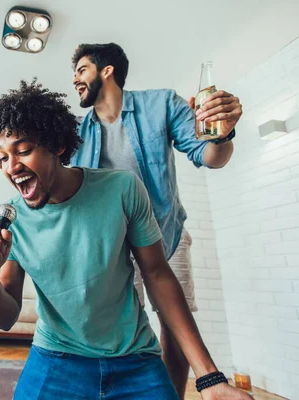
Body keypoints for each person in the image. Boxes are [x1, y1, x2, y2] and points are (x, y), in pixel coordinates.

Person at [0, 80, 251, 400]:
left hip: (134, 360)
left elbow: (158, 275)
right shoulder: (13, 220)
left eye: (23, 151)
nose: (12, 167)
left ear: (56, 146)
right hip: (57, 358)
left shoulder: (123, 189)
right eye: (3, 157)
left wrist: (209, 378)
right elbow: (5, 319)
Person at [70, 43, 243, 398]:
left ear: (107, 71)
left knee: (174, 326)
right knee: (124, 329)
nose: (75, 79)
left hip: (166, 235)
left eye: (82, 69)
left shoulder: (161, 104)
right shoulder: (77, 132)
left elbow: (210, 155)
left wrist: (222, 133)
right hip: (112, 249)